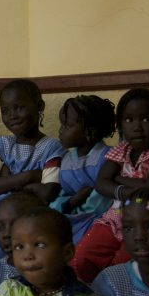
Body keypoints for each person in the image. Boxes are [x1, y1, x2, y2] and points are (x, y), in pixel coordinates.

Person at [72, 88, 149, 284]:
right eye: (129, 120)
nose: (137, 127)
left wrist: (118, 179)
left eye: (146, 119)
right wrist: (130, 188)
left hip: (143, 221)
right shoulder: (122, 149)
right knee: (81, 258)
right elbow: (101, 183)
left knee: (122, 268)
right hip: (114, 217)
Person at [0, 79, 65, 262]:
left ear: (39, 106)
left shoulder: (52, 148)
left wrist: (7, 182)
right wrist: (30, 176)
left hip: (25, 214)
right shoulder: (2, 144)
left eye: (19, 107)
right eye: (5, 111)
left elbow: (47, 191)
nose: (12, 115)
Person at [50, 95, 116, 242]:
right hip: (69, 217)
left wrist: (76, 210)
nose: (60, 131)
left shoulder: (106, 157)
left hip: (96, 221)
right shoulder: (66, 159)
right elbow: (61, 195)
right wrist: (70, 203)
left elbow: (100, 203)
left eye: (67, 126)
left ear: (89, 132)